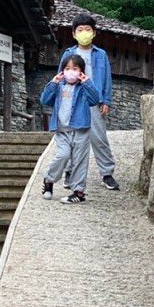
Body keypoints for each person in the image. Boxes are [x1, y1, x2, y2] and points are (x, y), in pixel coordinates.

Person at [58, 13, 120, 191]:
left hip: (94, 100)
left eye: (87, 29)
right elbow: (60, 78)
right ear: (73, 34)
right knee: (72, 138)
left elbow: (106, 78)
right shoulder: (69, 54)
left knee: (99, 137)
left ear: (93, 33)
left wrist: (106, 100)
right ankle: (70, 172)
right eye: (80, 30)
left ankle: (107, 173)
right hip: (72, 100)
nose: (84, 32)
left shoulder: (100, 55)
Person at [39, 54, 100, 204]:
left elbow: (94, 100)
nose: (71, 71)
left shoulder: (84, 87)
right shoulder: (59, 86)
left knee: (80, 160)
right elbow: (45, 100)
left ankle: (78, 193)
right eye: (67, 68)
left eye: (75, 68)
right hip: (61, 130)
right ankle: (49, 180)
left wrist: (87, 83)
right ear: (62, 70)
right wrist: (53, 83)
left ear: (81, 71)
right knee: (62, 155)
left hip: (80, 129)